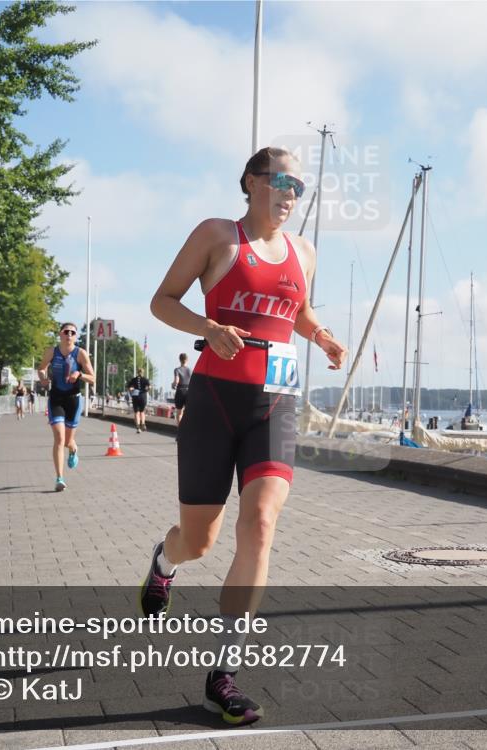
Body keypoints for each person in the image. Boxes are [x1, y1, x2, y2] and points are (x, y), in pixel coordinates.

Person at [142, 146, 347, 725]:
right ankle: (164, 562)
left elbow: (296, 310)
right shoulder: (217, 235)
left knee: (259, 525)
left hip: (274, 407)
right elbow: (162, 301)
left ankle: (223, 674)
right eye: (281, 181)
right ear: (252, 181)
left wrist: (323, 336)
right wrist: (208, 327)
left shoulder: (304, 252)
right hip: (214, 405)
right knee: (198, 541)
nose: (290, 194)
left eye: (299, 187)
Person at [37, 322, 96, 491]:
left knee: (68, 441)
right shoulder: (51, 352)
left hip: (73, 400)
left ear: (75, 336)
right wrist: (42, 378)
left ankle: (73, 450)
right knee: (59, 439)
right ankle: (59, 478)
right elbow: (41, 369)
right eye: (66, 332)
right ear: (60, 334)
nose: (69, 335)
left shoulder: (80, 354)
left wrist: (79, 374)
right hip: (56, 398)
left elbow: (93, 378)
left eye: (72, 332)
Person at [128, 368, 150, 433]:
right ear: (143, 372)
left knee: (136, 412)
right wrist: (146, 390)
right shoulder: (146, 380)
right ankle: (143, 424)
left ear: (137, 372)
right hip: (143, 396)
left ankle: (138, 428)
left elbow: (130, 388)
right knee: (142, 412)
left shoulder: (133, 380)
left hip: (135, 396)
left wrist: (132, 389)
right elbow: (149, 387)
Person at [172, 353, 191, 424]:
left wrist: (173, 384)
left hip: (180, 391)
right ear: (187, 360)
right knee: (187, 412)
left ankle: (180, 430)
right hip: (188, 391)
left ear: (180, 360)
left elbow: (176, 381)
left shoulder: (177, 370)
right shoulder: (190, 370)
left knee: (179, 412)